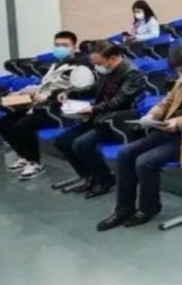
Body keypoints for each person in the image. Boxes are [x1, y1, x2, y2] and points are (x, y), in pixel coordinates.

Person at [97, 44, 182, 230]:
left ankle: (148, 208)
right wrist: (152, 115)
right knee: (125, 154)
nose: (181, 74)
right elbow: (166, 103)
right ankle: (123, 210)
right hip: (167, 131)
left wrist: (181, 121)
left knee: (145, 162)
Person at [0, 31, 95, 180]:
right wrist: (24, 92)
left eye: (64, 45)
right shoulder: (56, 64)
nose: (60, 48)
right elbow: (45, 84)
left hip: (58, 108)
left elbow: (79, 92)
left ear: (74, 47)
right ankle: (25, 156)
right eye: (57, 45)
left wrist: (48, 97)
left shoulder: (81, 68)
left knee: (22, 125)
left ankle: (34, 162)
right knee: (5, 122)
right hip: (41, 104)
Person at [53, 43, 146, 196]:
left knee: (81, 144)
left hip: (117, 121)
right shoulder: (107, 70)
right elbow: (94, 89)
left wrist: (93, 109)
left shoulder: (132, 74)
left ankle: (105, 180)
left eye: (99, 63)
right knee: (62, 142)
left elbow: (119, 101)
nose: (96, 67)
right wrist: (70, 93)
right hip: (100, 117)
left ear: (112, 59)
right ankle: (89, 176)